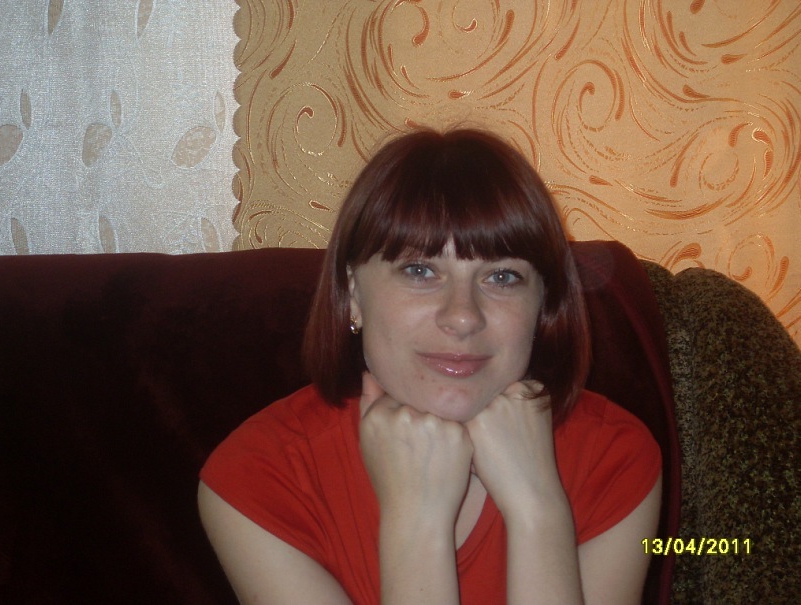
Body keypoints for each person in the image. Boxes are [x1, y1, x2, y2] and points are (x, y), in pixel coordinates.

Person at [198, 128, 662, 604]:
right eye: (419, 271)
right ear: (353, 294)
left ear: (543, 303)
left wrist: (537, 508)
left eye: (502, 277)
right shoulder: (258, 479)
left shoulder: (614, 458)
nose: (462, 316)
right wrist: (417, 520)